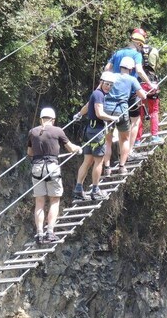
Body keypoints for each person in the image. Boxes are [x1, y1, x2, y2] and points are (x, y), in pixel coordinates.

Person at [27, 107, 82, 243]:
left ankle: (40, 233)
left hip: (37, 167)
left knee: (39, 202)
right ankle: (50, 232)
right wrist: (79, 149)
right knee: (54, 200)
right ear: (53, 119)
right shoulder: (58, 131)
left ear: (41, 119)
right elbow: (70, 148)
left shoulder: (32, 132)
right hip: (52, 167)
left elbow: (29, 153)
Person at [105, 29, 156, 151]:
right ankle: (129, 150)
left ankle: (110, 161)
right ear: (139, 44)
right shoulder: (136, 55)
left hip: (114, 92)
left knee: (110, 128)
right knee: (135, 121)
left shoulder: (118, 53)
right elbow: (139, 70)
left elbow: (107, 69)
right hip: (131, 92)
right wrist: (150, 84)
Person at [73, 72, 119, 201]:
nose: (108, 87)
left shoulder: (96, 94)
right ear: (101, 81)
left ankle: (78, 188)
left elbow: (88, 106)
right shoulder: (99, 95)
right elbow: (99, 113)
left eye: (110, 85)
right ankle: (95, 190)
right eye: (106, 84)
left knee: (87, 161)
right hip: (97, 131)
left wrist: (79, 114)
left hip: (89, 130)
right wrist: (113, 118)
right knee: (99, 161)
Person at [102, 57, 148, 175]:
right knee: (125, 139)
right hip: (122, 111)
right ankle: (122, 166)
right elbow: (143, 96)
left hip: (107, 111)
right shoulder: (132, 79)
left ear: (120, 66)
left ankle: (107, 168)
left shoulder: (111, 76)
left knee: (107, 141)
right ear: (131, 69)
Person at [137, 38, 164, 146]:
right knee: (154, 110)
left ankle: (137, 140)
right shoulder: (155, 51)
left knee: (140, 112)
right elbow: (156, 66)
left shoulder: (137, 52)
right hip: (152, 83)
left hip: (140, 84)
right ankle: (154, 136)